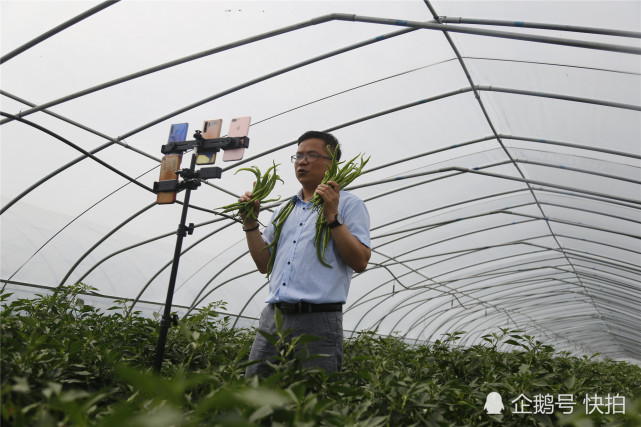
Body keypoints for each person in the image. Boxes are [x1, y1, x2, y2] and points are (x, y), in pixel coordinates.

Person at [239, 130, 371, 377]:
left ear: (332, 163)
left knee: (312, 399)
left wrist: (332, 216)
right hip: (274, 318)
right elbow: (263, 264)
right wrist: (249, 223)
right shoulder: (284, 210)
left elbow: (361, 261)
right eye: (298, 156)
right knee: (255, 394)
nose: (302, 161)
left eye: (312, 155)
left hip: (318, 321)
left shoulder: (349, 204)